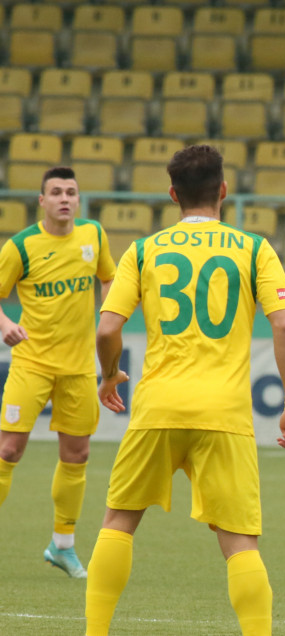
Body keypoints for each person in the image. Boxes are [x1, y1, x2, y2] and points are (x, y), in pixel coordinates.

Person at [84, 145, 285, 636]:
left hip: (157, 409)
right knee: (240, 544)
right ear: (223, 190)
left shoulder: (142, 251)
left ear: (172, 195)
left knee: (118, 521)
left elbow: (105, 330)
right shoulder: (254, 249)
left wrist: (108, 374)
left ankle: (95, 632)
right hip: (224, 415)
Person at [0, 166, 115, 578]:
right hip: (31, 363)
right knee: (8, 450)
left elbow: (109, 278)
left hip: (79, 368)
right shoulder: (21, 247)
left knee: (77, 455)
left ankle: (62, 545)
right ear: (42, 201)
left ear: (78, 200)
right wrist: (6, 325)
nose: (65, 199)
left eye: (71, 192)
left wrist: (108, 317)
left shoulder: (94, 235)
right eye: (56, 192)